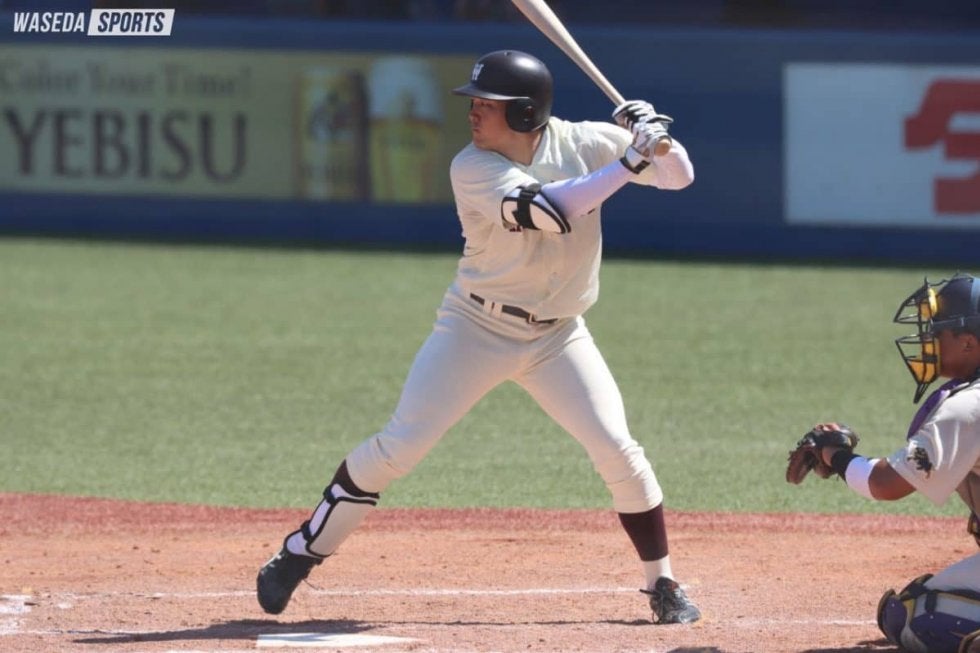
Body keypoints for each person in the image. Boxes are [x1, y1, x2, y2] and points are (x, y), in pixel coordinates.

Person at [256, 49, 700, 625]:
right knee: (399, 447)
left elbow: (680, 177)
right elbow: (549, 211)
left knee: (618, 449)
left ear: (523, 113)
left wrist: (657, 141)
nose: (472, 113)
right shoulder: (472, 167)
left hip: (559, 336)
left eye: (486, 105)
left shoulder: (586, 141)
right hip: (476, 327)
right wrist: (631, 160)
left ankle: (662, 583)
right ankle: (300, 552)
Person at [803, 274, 980, 653]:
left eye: (939, 331)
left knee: (917, 615)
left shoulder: (968, 407)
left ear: (968, 341)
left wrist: (834, 455)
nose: (928, 339)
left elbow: (885, 484)